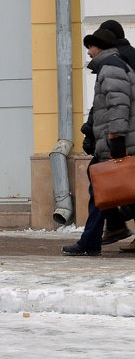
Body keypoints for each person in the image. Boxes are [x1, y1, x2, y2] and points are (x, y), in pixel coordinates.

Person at [63, 28, 135, 256]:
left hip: (118, 142)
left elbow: (118, 106)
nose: (88, 53)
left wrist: (116, 139)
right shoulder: (112, 66)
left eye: (90, 47)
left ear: (99, 47)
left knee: (100, 189)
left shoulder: (111, 67)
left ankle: (91, 241)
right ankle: (102, 234)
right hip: (115, 140)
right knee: (105, 189)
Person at [96, 20, 135, 246]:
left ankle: (115, 225)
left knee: (104, 178)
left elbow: (118, 101)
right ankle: (115, 225)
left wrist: (116, 136)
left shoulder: (115, 60)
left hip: (124, 131)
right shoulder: (129, 55)